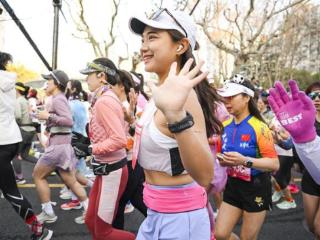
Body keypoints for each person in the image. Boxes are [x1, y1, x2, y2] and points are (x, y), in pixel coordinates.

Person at [129, 9, 223, 239]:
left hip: (181, 219)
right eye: (143, 39)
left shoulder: (185, 97)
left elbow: (204, 175)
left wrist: (177, 116)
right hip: (157, 212)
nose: (143, 46)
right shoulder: (161, 92)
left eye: (152, 37)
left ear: (180, 46)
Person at [214, 74, 279, 240]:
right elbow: (222, 158)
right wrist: (223, 160)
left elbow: (274, 164)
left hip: (256, 187)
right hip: (233, 186)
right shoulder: (225, 125)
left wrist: (244, 161)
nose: (226, 101)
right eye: (224, 97)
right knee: (220, 234)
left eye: (231, 97)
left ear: (246, 98)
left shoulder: (260, 127)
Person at [78, 58, 136, 239]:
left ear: (102, 76)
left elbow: (118, 140)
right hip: (106, 169)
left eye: (89, 75)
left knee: (103, 232)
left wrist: (89, 148)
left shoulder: (105, 101)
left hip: (113, 171)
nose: (86, 79)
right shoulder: (104, 99)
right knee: (90, 221)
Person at [0, 51, 52, 239]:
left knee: (10, 191)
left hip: (2, 142)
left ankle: (39, 229)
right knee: (10, 190)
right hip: (10, 137)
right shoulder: (7, 82)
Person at [33, 70, 89, 224]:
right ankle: (88, 209)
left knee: (38, 176)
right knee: (71, 181)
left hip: (57, 147)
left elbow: (68, 120)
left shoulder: (58, 99)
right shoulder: (58, 98)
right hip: (62, 145)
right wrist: (49, 124)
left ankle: (48, 213)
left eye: (49, 80)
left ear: (57, 83)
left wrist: (48, 117)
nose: (46, 83)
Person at [269, 80, 320, 238]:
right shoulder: (301, 116)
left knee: (318, 228)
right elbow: (292, 143)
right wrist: (281, 141)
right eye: (313, 94)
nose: (317, 98)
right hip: (310, 178)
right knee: (312, 226)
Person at [112, 70, 148, 230]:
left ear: (121, 86)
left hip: (129, 162)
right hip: (130, 162)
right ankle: (168, 225)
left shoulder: (127, 107)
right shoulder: (120, 105)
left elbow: (136, 135)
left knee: (118, 204)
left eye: (111, 83)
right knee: (136, 199)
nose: (107, 88)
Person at [12, 82, 38, 184]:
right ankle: (45, 166)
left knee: (15, 155)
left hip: (23, 130)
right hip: (30, 130)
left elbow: (18, 116)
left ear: (16, 90)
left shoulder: (18, 101)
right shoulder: (25, 100)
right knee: (25, 155)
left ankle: (20, 178)